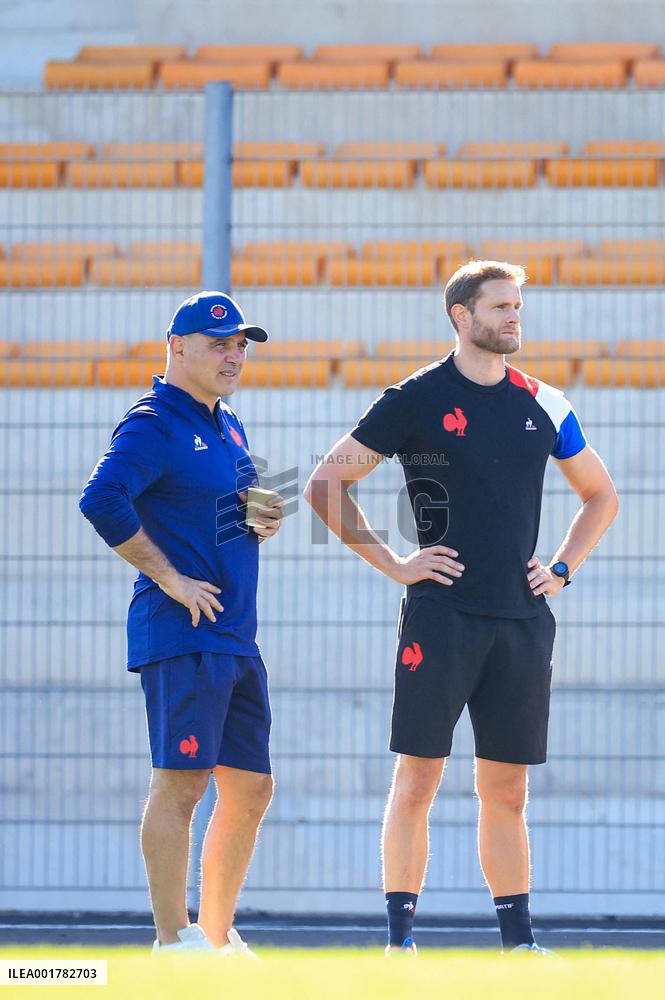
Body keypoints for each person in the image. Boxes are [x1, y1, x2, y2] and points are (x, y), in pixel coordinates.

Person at [304, 260, 618, 955]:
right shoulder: (413, 398)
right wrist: (394, 563)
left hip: (521, 620)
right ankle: (399, 945)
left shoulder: (544, 401)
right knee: (418, 777)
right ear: (461, 315)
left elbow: (601, 496)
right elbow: (324, 485)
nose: (513, 317)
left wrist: (560, 569)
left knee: (507, 790)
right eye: (499, 306)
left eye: (517, 306)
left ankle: (518, 946)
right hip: (441, 617)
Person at [79, 291, 283, 955]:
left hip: (234, 633)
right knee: (182, 783)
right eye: (219, 344)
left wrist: (257, 513)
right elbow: (101, 498)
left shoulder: (229, 423)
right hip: (183, 630)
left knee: (252, 787)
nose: (233, 356)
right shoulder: (153, 421)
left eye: (240, 345)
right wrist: (169, 577)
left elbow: (215, 505)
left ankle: (216, 939)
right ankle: (173, 941)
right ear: (177, 347)